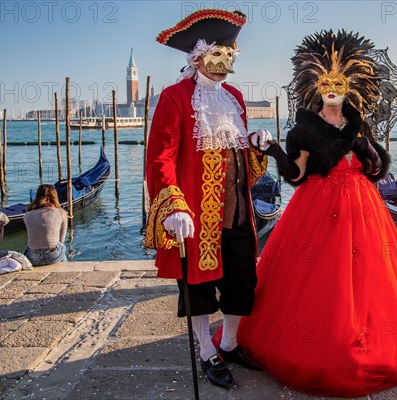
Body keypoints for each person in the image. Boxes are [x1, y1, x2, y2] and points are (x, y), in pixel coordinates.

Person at [237, 30, 397, 397]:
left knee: (368, 275)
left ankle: (368, 336)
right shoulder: (305, 128)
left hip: (363, 206)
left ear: (350, 87)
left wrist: (372, 154)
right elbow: (295, 175)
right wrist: (276, 150)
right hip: (318, 207)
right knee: (319, 276)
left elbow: (374, 169)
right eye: (325, 82)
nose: (331, 88)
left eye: (338, 82)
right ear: (314, 85)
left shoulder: (359, 125)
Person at [145, 9, 270, 389]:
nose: (222, 68)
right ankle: (205, 349)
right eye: (216, 58)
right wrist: (172, 206)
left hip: (237, 212)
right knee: (197, 287)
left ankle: (229, 343)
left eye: (229, 59)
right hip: (196, 214)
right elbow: (160, 156)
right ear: (197, 57)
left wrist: (255, 145)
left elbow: (239, 159)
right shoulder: (175, 97)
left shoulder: (234, 97)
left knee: (241, 281)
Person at [23, 184, 68, 266]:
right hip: (53, 256)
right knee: (62, 246)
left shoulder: (27, 215)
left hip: (33, 257)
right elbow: (61, 240)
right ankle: (65, 268)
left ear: (37, 196)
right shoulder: (62, 213)